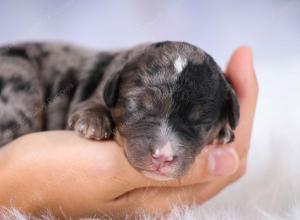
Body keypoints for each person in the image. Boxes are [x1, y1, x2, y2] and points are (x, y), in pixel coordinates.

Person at [0, 47, 258, 219]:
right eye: (140, 109)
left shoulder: (218, 102)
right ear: (115, 90)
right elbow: (88, 105)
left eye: (198, 122)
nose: (163, 151)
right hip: (16, 67)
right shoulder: (116, 79)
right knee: (20, 103)